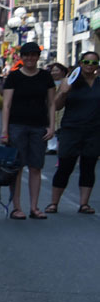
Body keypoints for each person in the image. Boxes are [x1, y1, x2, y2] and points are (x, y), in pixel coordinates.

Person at [1, 42, 56, 220]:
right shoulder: (14, 77)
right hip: (17, 126)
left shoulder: (45, 77)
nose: (30, 58)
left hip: (39, 126)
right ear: (21, 57)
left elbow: (51, 103)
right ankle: (17, 207)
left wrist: (52, 126)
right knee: (17, 167)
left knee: (36, 167)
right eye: (26, 55)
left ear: (38, 57)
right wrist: (4, 130)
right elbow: (6, 105)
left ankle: (34, 207)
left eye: (33, 55)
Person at [45, 52, 100, 214]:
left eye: (93, 62)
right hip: (71, 129)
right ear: (80, 63)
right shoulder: (70, 81)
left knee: (88, 167)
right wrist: (63, 92)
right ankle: (54, 203)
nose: (89, 64)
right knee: (65, 166)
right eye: (86, 61)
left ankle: (84, 204)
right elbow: (56, 105)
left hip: (94, 131)